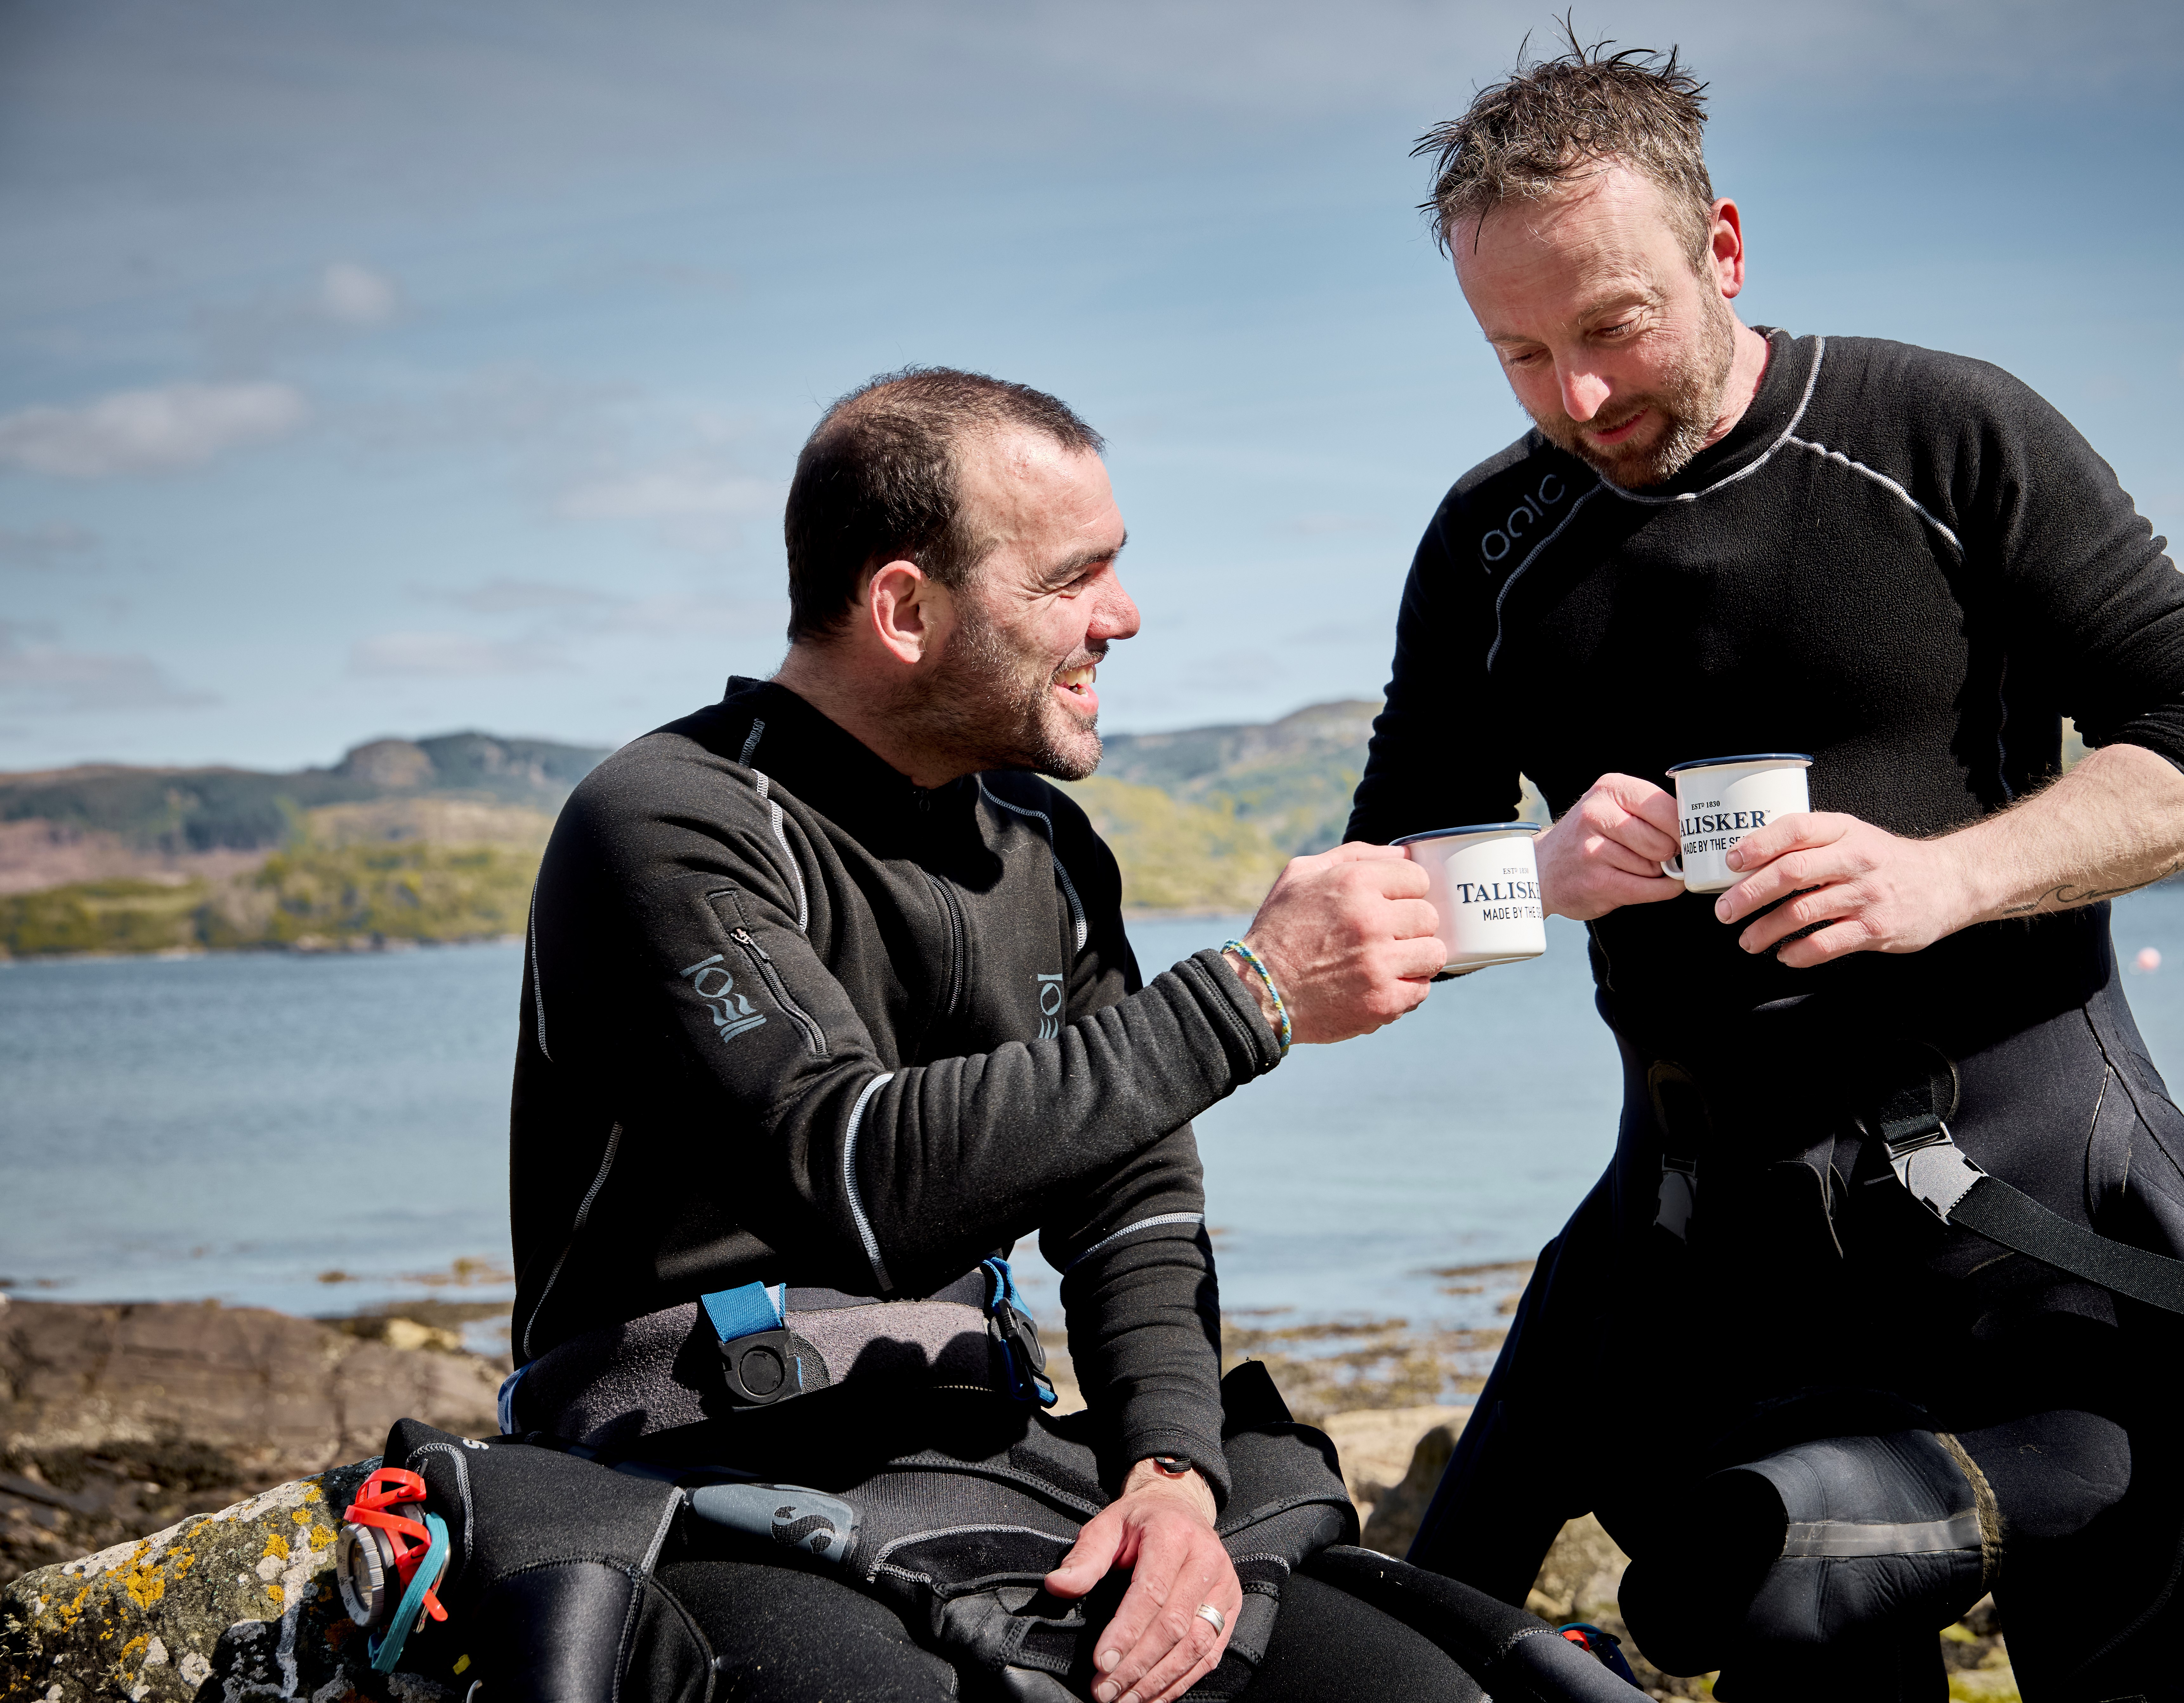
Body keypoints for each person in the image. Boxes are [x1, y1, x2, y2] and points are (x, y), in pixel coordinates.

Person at [1344, 38, 2184, 1703]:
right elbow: (1382, 899)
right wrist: (1530, 880)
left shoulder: (1941, 431)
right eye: (1519, 355)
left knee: (2137, 1675)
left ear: (1723, 248)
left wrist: (1945, 880)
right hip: (1715, 1253)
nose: (1579, 399)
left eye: (1612, 327)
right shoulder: (1490, 543)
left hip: (2038, 1223)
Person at [504, 368, 1501, 1703]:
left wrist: (1169, 1470)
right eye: (1072, 578)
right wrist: (1252, 994)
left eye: (1119, 568)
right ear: (906, 608)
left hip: (989, 1450)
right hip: (696, 1464)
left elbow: (1131, 1194)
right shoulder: (670, 824)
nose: (1124, 616)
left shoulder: (1046, 846)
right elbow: (860, 1175)